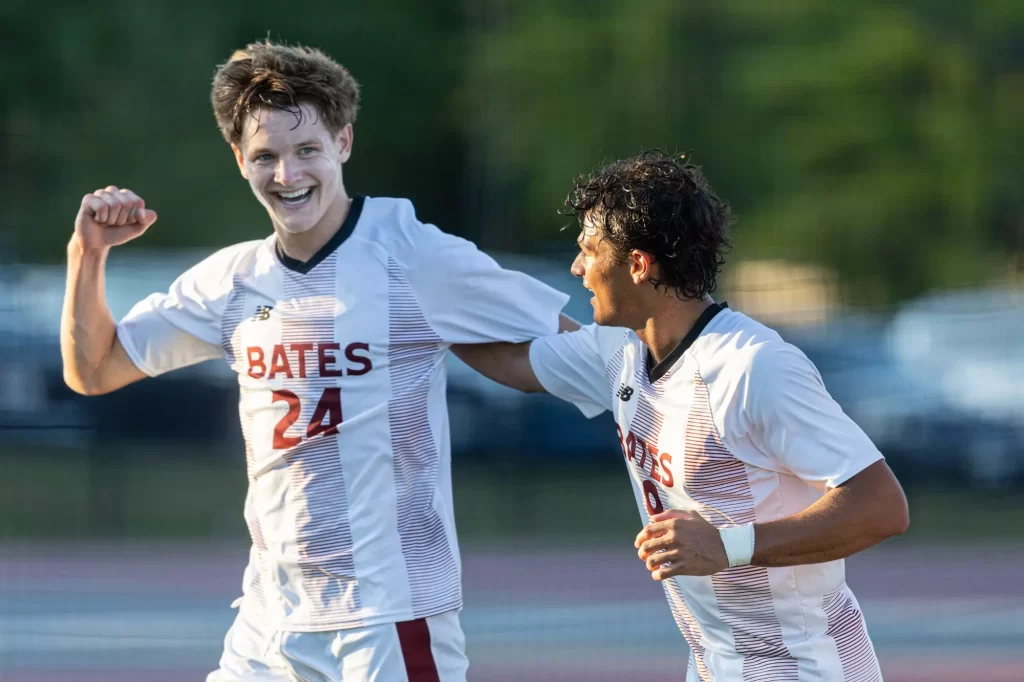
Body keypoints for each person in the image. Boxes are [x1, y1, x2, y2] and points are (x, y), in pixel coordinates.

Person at [60, 40, 572, 682]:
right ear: (238, 158)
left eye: (307, 151)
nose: (288, 175)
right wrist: (89, 253)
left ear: (344, 142)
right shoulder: (231, 280)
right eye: (266, 156)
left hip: (389, 619)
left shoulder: (413, 254)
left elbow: (571, 343)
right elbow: (94, 369)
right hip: (268, 625)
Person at [451, 150, 910, 681]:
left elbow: (882, 507)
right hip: (712, 667)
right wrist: (420, 300)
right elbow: (511, 359)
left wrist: (727, 545)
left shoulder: (752, 367)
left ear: (640, 264)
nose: (578, 268)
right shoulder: (619, 349)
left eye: (589, 250)